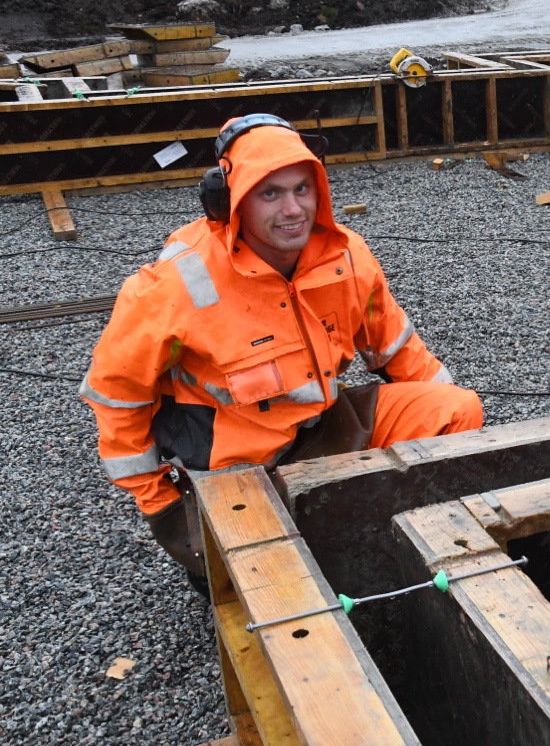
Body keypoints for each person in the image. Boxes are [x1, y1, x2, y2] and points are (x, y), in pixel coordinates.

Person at [81, 114, 483, 584]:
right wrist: (163, 507)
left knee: (457, 411)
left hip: (326, 428)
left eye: (301, 189)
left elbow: (396, 347)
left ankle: (386, 535)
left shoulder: (346, 256)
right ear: (231, 202)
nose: (292, 209)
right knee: (275, 586)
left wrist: (461, 449)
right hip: (238, 472)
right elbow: (117, 397)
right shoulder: (176, 284)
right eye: (269, 193)